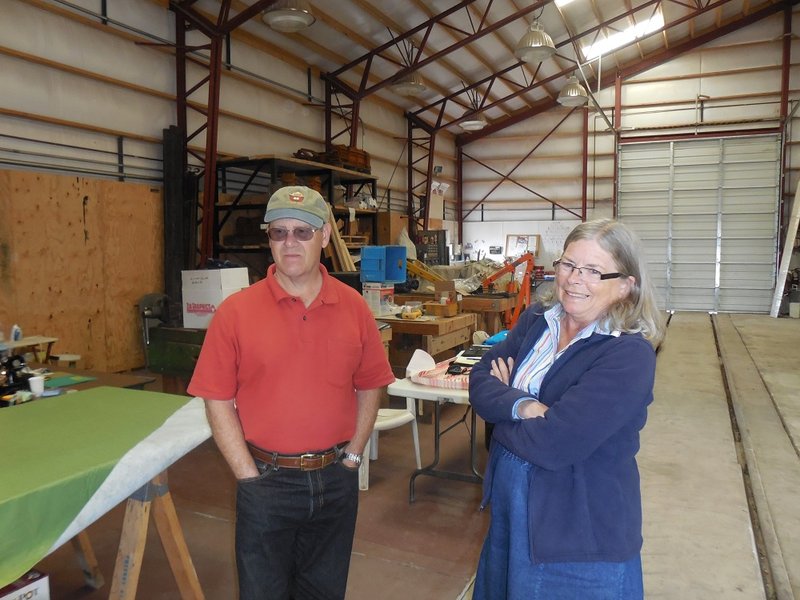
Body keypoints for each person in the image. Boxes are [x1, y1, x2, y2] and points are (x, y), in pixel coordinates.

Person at [187, 185, 395, 600]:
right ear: (269, 239)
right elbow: (216, 400)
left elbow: (370, 383)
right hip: (267, 484)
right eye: (278, 232)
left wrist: (354, 455)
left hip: (336, 479)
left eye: (302, 232)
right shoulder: (236, 312)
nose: (290, 242)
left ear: (323, 237)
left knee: (324, 591)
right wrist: (248, 475)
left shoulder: (354, 307)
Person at [469, 218, 665, 599]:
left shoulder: (628, 354)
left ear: (626, 285)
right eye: (569, 264)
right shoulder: (537, 321)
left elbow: (555, 443)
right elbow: (479, 380)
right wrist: (526, 407)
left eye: (593, 270)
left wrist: (502, 412)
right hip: (512, 512)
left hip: (578, 532)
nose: (575, 279)